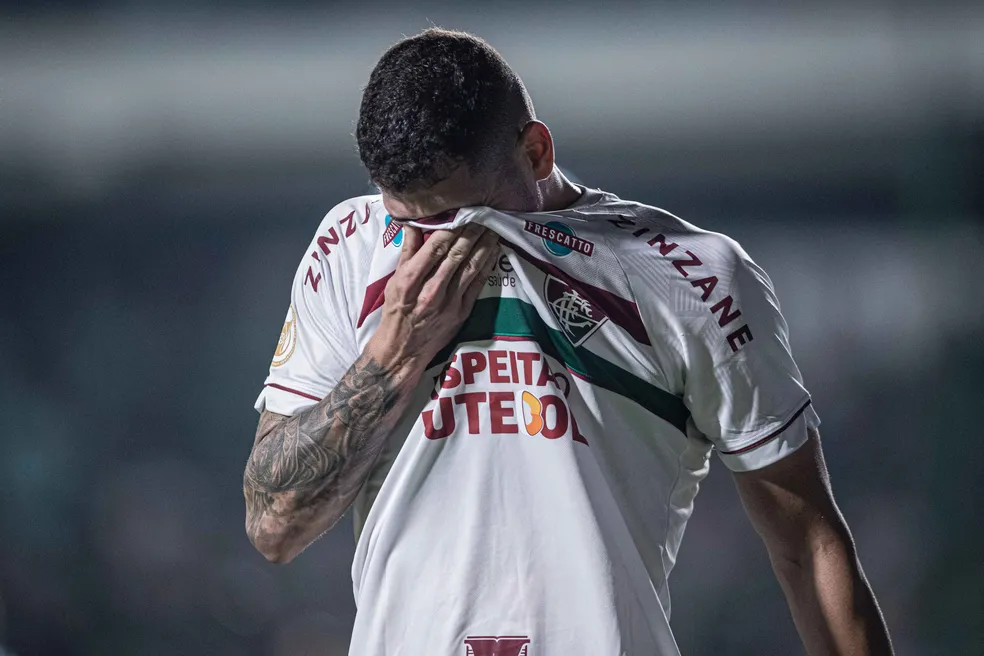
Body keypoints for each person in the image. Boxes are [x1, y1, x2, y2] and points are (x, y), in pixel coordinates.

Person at [243, 28, 893, 655]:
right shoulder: (350, 247)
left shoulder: (693, 278)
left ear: (535, 153)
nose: (428, 244)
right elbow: (274, 523)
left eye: (458, 215)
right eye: (404, 216)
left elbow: (808, 543)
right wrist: (393, 355)